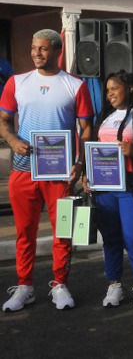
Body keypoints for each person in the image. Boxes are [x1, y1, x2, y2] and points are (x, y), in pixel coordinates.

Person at [1, 29, 93, 311]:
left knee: (62, 231)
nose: (36, 54)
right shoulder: (17, 82)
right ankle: (25, 286)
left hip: (60, 173)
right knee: (24, 232)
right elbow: (3, 121)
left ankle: (60, 284)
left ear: (56, 51)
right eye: (33, 48)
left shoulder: (74, 85)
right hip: (24, 170)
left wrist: (80, 163)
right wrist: (13, 140)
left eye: (42, 49)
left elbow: (86, 128)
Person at [83, 70, 133, 307]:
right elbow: (94, 150)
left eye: (114, 88)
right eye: (107, 90)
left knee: (132, 236)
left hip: (132, 185)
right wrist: (87, 174)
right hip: (104, 187)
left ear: (131, 88)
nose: (109, 94)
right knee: (112, 238)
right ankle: (114, 285)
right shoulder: (104, 118)